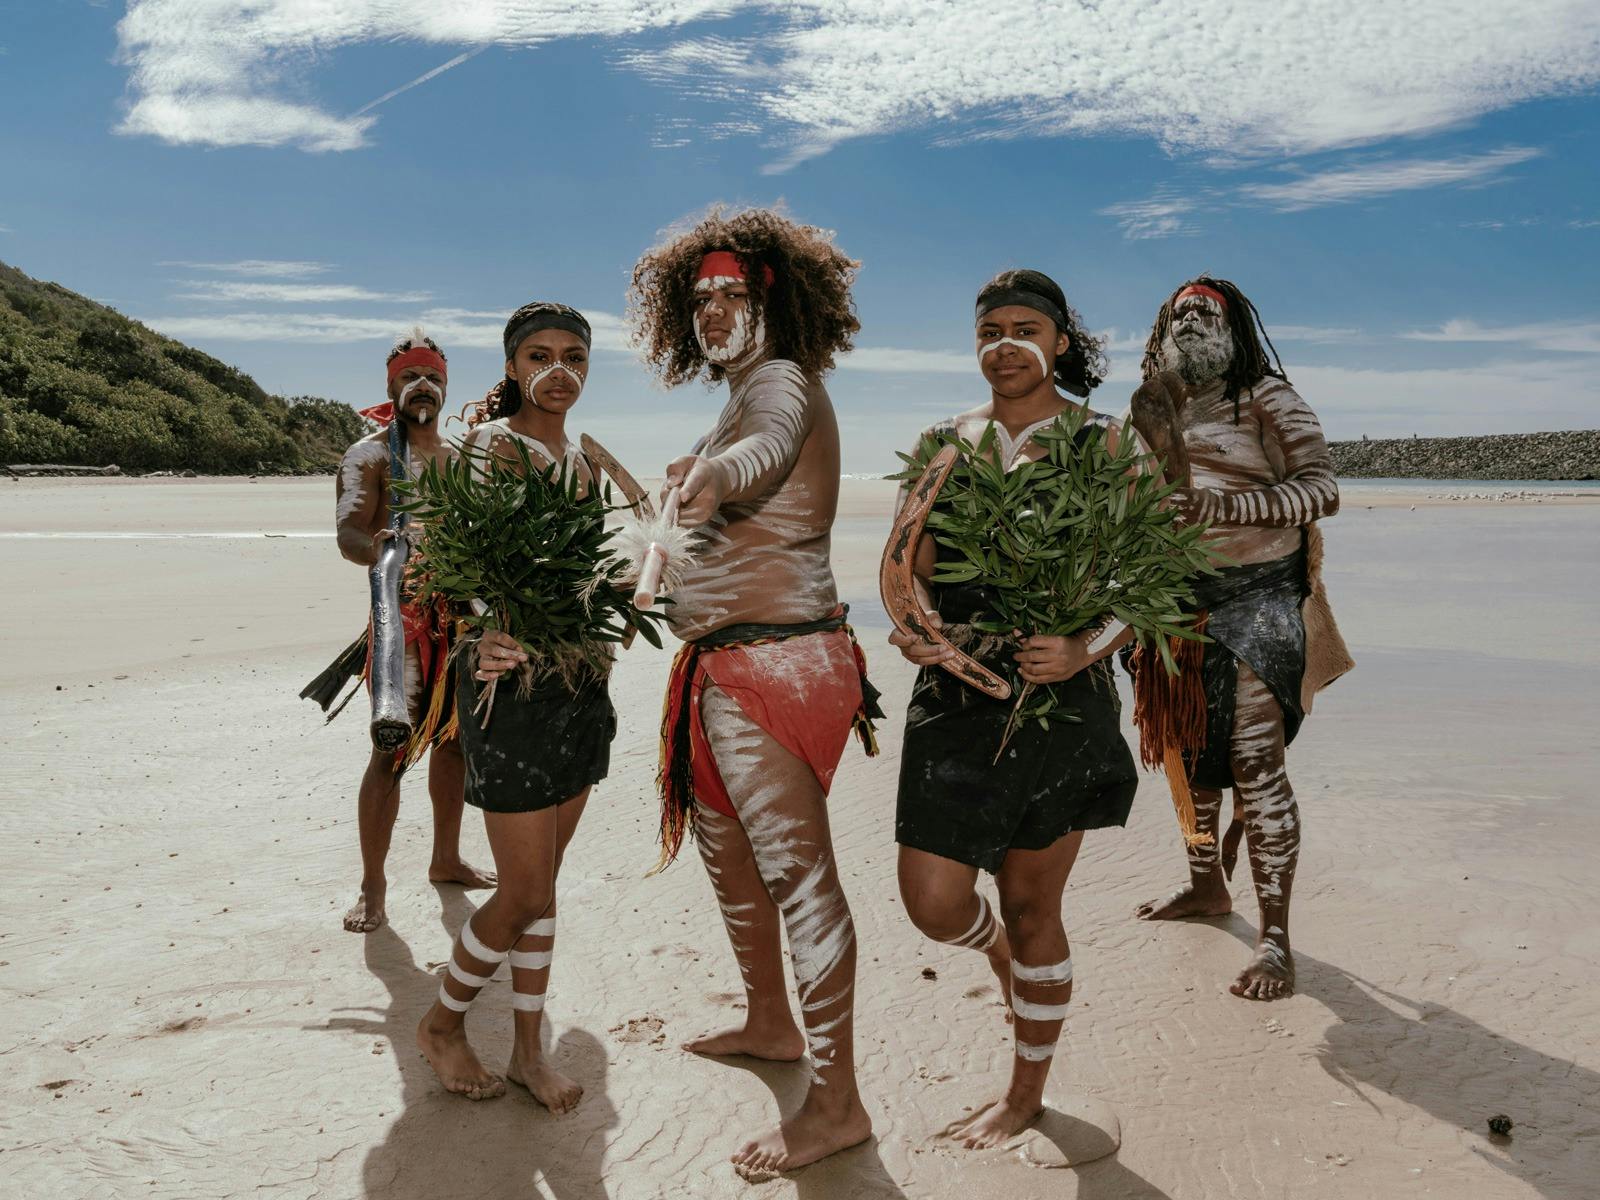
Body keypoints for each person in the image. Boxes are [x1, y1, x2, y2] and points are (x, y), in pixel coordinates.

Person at [627, 208, 883, 1175]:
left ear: (775, 298)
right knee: (732, 861)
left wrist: (717, 473)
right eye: (700, 299)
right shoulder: (733, 398)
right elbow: (727, 479)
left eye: (734, 293)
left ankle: (839, 1105)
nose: (715, 310)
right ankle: (772, 1023)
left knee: (796, 877)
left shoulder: (778, 383)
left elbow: (766, 451)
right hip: (731, 666)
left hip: (774, 665)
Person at [888, 269, 1140, 1149]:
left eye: (1025, 326)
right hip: (955, 695)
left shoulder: (1108, 443)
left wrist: (1082, 648)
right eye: (989, 328)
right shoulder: (941, 442)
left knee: (1038, 907)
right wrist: (917, 631)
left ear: (1060, 340)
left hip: (1062, 705)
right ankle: (990, 950)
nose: (1005, 342)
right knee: (932, 901)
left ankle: (1027, 1091)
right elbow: (907, 564)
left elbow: (1142, 579)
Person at [414, 302, 617, 1109]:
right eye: (539, 354)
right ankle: (441, 1023)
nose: (558, 369)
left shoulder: (587, 460)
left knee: (543, 882)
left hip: (577, 684)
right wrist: (477, 633)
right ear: (511, 367)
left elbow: (598, 573)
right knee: (524, 890)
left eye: (574, 354)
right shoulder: (495, 449)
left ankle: (531, 1050)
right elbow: (441, 560)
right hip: (513, 690)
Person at [1131, 276, 1349, 1002]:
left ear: (1234, 331)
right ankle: (1204, 884)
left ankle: (1277, 940)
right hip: (1172, 613)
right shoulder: (1151, 413)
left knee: (1256, 764)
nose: (1192, 322)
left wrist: (1228, 503)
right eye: (1180, 315)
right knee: (1185, 756)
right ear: (1161, 334)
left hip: (1257, 603)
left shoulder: (1265, 398)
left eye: (1206, 313)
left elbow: (1322, 489)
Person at [306, 328, 494, 934]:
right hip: (403, 625)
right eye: (411, 378)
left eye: (434, 378)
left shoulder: (462, 457)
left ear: (445, 387)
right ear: (391, 386)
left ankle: (445, 858)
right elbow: (349, 536)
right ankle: (373, 883)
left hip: (461, 622)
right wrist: (385, 548)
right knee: (390, 750)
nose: (423, 386)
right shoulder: (366, 455)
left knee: (456, 742)